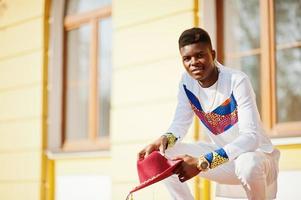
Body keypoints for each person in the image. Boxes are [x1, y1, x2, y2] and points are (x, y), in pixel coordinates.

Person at [137, 27, 280, 200]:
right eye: (187, 58)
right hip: (225, 162)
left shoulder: (237, 80)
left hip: (260, 161)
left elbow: (251, 139)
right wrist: (166, 139)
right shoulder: (186, 83)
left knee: (246, 163)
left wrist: (202, 163)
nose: (193, 62)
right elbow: (179, 126)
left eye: (199, 55)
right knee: (163, 153)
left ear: (213, 54)